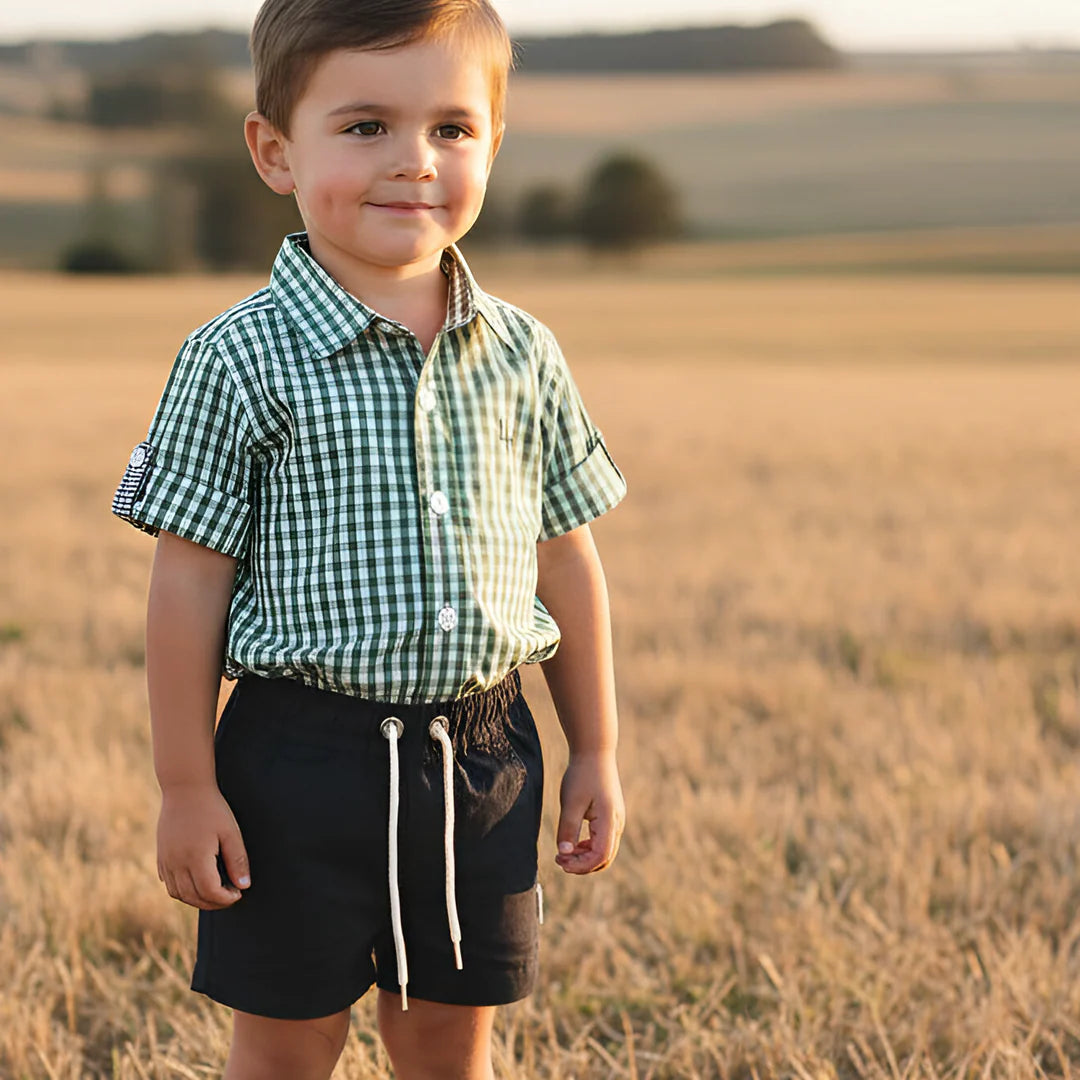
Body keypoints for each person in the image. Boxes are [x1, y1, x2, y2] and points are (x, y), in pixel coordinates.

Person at [110, 1, 628, 1076]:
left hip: (484, 764)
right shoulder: (237, 360)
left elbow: (565, 561)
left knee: (447, 1045)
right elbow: (186, 589)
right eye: (364, 128)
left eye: (451, 128)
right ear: (274, 152)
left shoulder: (524, 354)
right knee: (286, 1048)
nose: (414, 163)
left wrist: (598, 750)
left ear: (491, 142)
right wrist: (185, 783)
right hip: (294, 766)